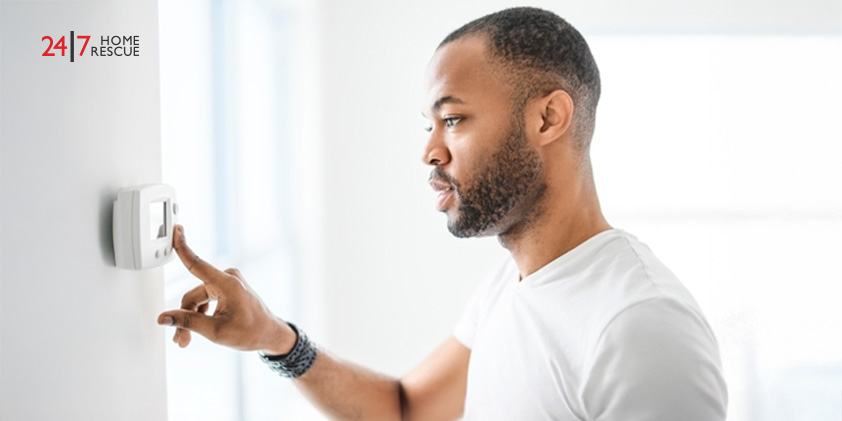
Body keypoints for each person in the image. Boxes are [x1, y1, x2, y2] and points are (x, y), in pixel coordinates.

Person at [158, 6, 728, 420]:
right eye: (428, 125)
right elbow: (406, 409)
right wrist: (274, 338)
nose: (430, 151)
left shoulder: (640, 327)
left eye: (453, 119)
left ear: (548, 119)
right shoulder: (511, 284)